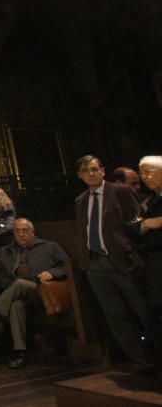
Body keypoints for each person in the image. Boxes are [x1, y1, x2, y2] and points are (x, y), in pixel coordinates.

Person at [74, 155, 151, 372]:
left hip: (121, 260)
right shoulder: (81, 200)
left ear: (102, 170)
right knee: (115, 316)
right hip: (95, 263)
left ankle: (156, 356)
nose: (91, 174)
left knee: (143, 310)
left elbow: (136, 222)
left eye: (95, 169)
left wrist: (130, 251)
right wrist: (85, 261)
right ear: (80, 175)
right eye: (86, 171)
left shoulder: (120, 192)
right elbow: (84, 230)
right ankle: (140, 361)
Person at [0, 218, 68, 368]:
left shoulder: (49, 247)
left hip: (42, 291)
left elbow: (66, 266)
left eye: (25, 231)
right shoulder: (6, 252)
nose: (21, 235)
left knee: (20, 283)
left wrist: (51, 273)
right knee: (16, 305)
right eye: (17, 231)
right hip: (19, 294)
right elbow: (2, 277)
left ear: (32, 232)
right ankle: (20, 352)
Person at [128, 156, 162, 377]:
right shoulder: (149, 202)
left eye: (150, 171)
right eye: (142, 173)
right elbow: (132, 228)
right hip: (155, 262)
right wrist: (148, 224)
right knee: (157, 310)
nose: (145, 177)